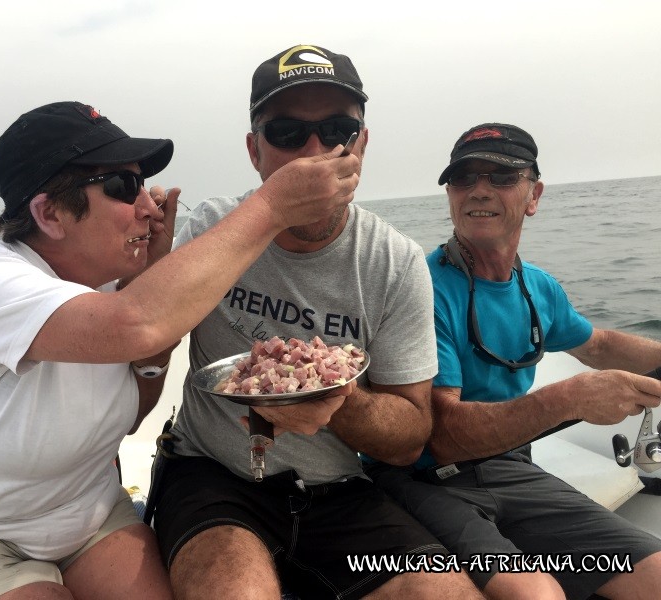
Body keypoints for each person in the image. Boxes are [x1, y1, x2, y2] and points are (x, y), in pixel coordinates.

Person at [0, 100, 361, 600]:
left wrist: (143, 283)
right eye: (120, 187)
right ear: (49, 213)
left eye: (141, 183)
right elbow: (138, 324)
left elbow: (131, 413)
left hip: (87, 521)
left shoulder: (111, 287)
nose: (148, 205)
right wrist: (271, 206)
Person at [151, 44, 484, 600]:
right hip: (212, 473)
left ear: (362, 143)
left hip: (336, 488)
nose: (314, 152)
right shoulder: (210, 229)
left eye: (337, 130)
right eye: (286, 133)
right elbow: (146, 334)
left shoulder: (393, 261)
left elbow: (408, 438)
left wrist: (340, 401)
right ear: (255, 151)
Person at [365, 122, 661, 600]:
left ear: (534, 194)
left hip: (512, 469)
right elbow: (439, 434)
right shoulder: (419, 287)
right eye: (464, 179)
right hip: (421, 479)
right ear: (449, 195)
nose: (479, 190)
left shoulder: (539, 287)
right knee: (534, 594)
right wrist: (570, 398)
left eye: (501, 178)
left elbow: (599, 344)